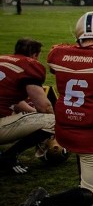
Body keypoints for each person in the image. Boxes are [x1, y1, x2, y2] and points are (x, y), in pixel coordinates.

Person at [8, 12, 93, 206]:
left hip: (66, 126)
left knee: (84, 157)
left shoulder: (59, 54)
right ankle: (43, 202)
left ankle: (81, 179)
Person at [0, 38, 59, 175]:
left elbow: (13, 100)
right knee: (53, 121)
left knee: (12, 111)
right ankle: (8, 157)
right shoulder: (29, 65)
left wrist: (33, 114)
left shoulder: (3, 59)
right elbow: (44, 107)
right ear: (35, 55)